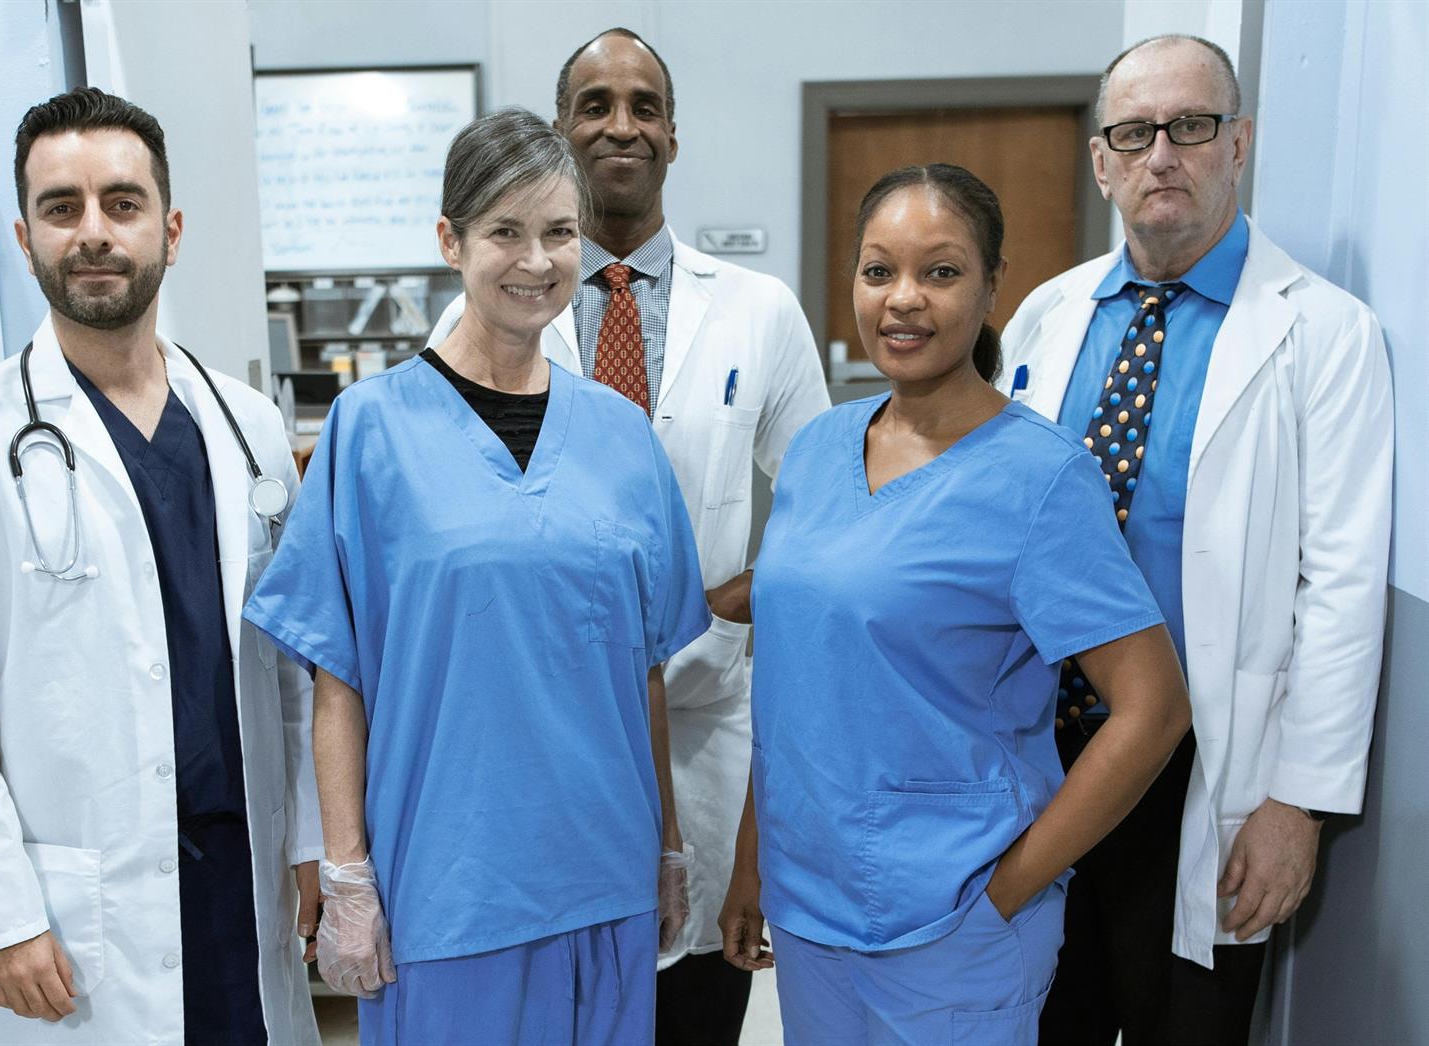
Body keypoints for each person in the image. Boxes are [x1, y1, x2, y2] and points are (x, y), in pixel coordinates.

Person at [244, 107, 709, 1045]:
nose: (536, 261)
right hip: (449, 886)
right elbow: (338, 677)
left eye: (559, 232)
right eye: (505, 231)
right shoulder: (368, 432)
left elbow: (645, 670)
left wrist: (665, 844)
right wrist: (345, 875)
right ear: (450, 241)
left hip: (604, 875)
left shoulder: (622, 437)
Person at [0, 88, 320, 1044]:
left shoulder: (244, 425)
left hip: (240, 879)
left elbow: (290, 667)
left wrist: (312, 844)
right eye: (61, 207)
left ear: (169, 227)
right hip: (79, 910)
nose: (93, 233)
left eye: (121, 204)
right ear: (23, 232)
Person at [717, 163, 1193, 1044]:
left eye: (940, 271)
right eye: (877, 271)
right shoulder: (820, 449)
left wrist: (1008, 892)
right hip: (809, 909)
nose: (903, 300)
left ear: (989, 286)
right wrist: (752, 866)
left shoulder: (1042, 479)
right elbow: (793, 680)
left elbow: (1153, 709)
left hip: (953, 927)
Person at [427, 31, 830, 1041]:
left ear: (673, 136)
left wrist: (728, 601)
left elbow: (832, 516)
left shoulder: (759, 311)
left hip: (706, 727)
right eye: (596, 104)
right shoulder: (469, 321)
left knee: (693, 1008)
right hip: (541, 736)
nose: (622, 124)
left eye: (644, 105)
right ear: (562, 134)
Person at [997, 35, 1393, 1045]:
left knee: (1186, 1023)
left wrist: (1295, 803)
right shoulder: (1049, 316)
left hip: (1208, 762)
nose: (1162, 154)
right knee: (1040, 1012)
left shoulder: (1323, 333)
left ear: (1239, 142)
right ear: (1102, 161)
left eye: (1192, 126)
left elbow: (1342, 581)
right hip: (1048, 748)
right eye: (1134, 132)